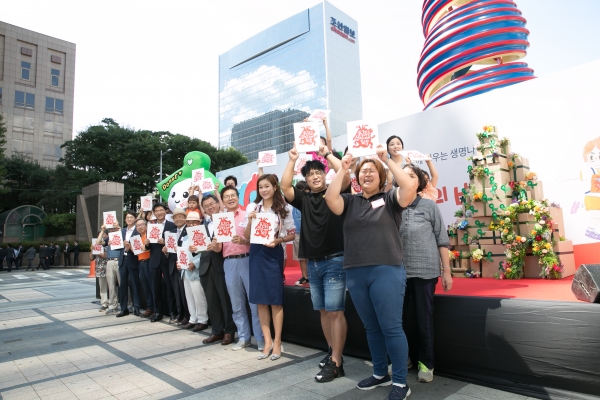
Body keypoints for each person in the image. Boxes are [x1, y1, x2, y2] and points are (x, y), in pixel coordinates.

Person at [324, 145, 418, 400]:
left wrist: (386, 159)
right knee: (371, 328)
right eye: (362, 171)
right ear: (356, 177)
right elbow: (329, 198)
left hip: (387, 269)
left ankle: (400, 381)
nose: (366, 174)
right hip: (355, 272)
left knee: (391, 327)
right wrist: (342, 170)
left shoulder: (390, 198)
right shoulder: (349, 202)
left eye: (372, 171)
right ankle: (380, 373)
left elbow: (409, 186)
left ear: (381, 175)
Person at [281, 142, 350, 383]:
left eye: (317, 172)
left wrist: (326, 154)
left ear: (325, 174)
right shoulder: (304, 200)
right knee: (323, 311)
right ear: (307, 180)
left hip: (335, 261)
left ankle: (337, 363)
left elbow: (345, 172)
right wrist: (291, 160)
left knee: (334, 312)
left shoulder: (335, 193)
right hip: (314, 264)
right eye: (309, 174)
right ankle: (333, 352)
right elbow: (285, 186)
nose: (314, 176)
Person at [399, 164, 452, 383]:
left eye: (412, 176)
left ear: (420, 181)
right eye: (403, 175)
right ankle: (403, 359)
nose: (407, 179)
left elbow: (442, 239)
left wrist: (446, 270)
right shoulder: (393, 206)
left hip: (425, 270)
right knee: (398, 321)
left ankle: (426, 363)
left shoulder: (430, 206)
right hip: (397, 272)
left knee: (424, 319)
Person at [243, 174, 296, 360]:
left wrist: (279, 240)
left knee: (275, 300)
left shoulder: (284, 208)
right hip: (256, 254)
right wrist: (250, 220)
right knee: (260, 300)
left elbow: (292, 234)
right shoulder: (252, 207)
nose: (264, 190)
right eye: (261, 187)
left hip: (274, 254)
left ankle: (277, 342)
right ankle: (267, 342)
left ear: (275, 187)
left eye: (267, 186)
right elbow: (247, 236)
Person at [220, 185, 264, 351]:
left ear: (238, 197)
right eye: (227, 196)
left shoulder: (248, 214)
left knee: (254, 302)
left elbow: (257, 238)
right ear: (223, 200)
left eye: (233, 195)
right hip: (229, 262)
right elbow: (218, 249)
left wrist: (245, 241)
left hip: (247, 260)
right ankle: (244, 337)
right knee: (236, 304)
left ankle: (260, 339)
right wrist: (216, 241)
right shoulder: (220, 219)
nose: (230, 198)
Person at [199, 194, 236, 346]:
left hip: (221, 264)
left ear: (217, 203)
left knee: (225, 299)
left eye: (211, 204)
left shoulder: (225, 219)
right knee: (212, 300)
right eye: (206, 206)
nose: (209, 207)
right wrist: (194, 248)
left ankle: (229, 331)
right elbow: (199, 245)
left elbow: (229, 245)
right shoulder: (202, 224)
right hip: (205, 265)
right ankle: (216, 331)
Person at [144, 203, 176, 322]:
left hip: (167, 260)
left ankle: (173, 312)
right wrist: (147, 244)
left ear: (165, 211)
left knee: (169, 287)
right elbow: (149, 248)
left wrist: (166, 242)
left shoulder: (172, 226)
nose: (159, 212)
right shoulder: (151, 227)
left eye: (161, 210)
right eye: (156, 211)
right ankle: (158, 312)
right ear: (153, 213)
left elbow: (174, 244)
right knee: (155, 287)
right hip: (153, 261)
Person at [179, 211, 209, 331]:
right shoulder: (185, 237)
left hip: (197, 270)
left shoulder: (202, 235)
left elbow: (205, 254)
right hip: (185, 271)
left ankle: (202, 320)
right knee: (189, 296)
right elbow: (182, 252)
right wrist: (180, 263)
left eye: (194, 222)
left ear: (199, 223)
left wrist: (195, 264)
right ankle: (193, 318)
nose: (191, 224)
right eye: (189, 222)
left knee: (199, 296)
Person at [163, 207, 190, 325]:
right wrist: (166, 251)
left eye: (180, 216)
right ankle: (180, 314)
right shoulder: (171, 232)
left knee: (185, 292)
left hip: (185, 265)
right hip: (173, 265)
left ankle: (187, 316)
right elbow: (169, 250)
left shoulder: (189, 231)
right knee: (176, 292)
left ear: (185, 218)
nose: (178, 219)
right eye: (176, 217)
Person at [118, 210, 141, 317]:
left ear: (135, 219)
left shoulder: (137, 231)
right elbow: (117, 246)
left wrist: (129, 247)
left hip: (133, 259)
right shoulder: (122, 231)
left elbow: (138, 248)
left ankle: (136, 307)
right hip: (123, 260)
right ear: (125, 219)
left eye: (131, 217)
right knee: (123, 285)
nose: (129, 219)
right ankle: (123, 308)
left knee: (135, 284)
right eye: (127, 218)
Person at [135, 219, 154, 318]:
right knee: (145, 287)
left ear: (146, 225)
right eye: (138, 225)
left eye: (142, 224)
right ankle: (149, 307)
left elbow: (153, 248)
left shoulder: (149, 236)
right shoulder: (136, 238)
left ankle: (155, 309)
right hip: (141, 263)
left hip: (149, 262)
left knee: (152, 286)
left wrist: (147, 246)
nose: (140, 227)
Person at [292, 181, 309, 286]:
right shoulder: (294, 202)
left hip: (310, 233)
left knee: (311, 257)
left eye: (305, 190)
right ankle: (305, 276)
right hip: (298, 233)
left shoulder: (309, 201)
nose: (302, 192)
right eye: (300, 190)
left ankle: (311, 276)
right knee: (302, 258)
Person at [105, 223, 122, 315]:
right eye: (111, 229)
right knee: (111, 285)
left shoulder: (121, 234)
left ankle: (127, 304)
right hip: (110, 261)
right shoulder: (108, 238)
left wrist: (118, 229)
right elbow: (99, 242)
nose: (113, 230)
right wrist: (103, 229)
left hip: (119, 260)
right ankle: (112, 305)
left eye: (114, 228)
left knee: (122, 284)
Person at [93, 230, 109, 312]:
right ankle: (104, 303)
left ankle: (113, 303)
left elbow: (106, 255)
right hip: (100, 268)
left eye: (104, 234)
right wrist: (91, 250)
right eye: (100, 235)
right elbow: (91, 258)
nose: (102, 236)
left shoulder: (109, 243)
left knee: (112, 286)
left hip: (108, 266)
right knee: (102, 287)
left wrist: (101, 253)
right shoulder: (95, 245)